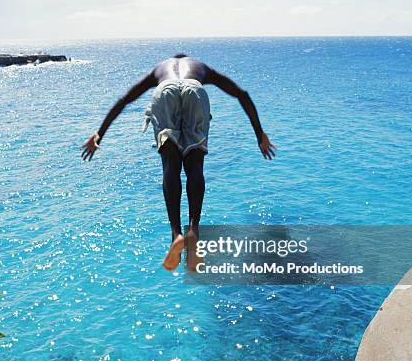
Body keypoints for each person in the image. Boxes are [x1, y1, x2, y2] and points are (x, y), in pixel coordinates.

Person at [81, 54, 276, 271]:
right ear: (188, 59)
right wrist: (260, 134)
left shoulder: (160, 68)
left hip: (164, 91)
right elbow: (241, 94)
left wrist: (100, 133)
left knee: (170, 165)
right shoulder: (201, 67)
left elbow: (125, 99)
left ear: (172, 60)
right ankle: (193, 229)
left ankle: (176, 234)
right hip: (196, 90)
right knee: (195, 166)